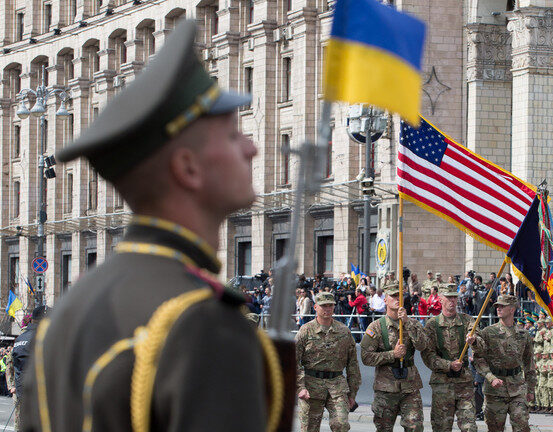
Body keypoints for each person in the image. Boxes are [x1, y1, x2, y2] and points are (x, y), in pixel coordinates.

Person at [20, 21, 268, 432]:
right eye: (232, 135)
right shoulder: (202, 323)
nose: (251, 147)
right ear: (187, 167)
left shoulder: (67, 314)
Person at [361, 281, 430, 432]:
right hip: (386, 388)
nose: (397, 299)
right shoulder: (376, 327)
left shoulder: (413, 324)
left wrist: (407, 323)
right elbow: (366, 357)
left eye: (400, 296)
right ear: (385, 299)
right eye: (393, 296)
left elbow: (423, 346)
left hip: (410, 386)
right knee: (384, 428)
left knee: (415, 427)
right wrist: (393, 355)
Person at [296, 292, 361, 432]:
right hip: (311, 386)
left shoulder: (344, 332)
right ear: (315, 307)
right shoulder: (306, 330)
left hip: (337, 386)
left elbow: (353, 365)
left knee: (341, 425)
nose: (327, 309)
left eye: (330, 305)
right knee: (309, 428)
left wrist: (352, 394)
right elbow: (293, 361)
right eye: (323, 306)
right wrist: (300, 387)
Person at [422, 284, 481, 432]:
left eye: (454, 297)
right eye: (448, 297)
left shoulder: (467, 320)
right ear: (441, 299)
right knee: (441, 427)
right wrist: (448, 365)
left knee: (469, 427)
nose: (452, 300)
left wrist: (474, 340)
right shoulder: (432, 325)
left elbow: (480, 341)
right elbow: (428, 356)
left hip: (464, 383)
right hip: (442, 384)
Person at [472, 294, 535, 432]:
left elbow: (529, 364)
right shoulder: (488, 332)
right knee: (495, 428)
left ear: (512, 309)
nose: (498, 309)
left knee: (522, 426)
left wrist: (531, 389)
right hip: (494, 390)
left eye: (502, 306)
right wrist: (490, 377)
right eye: (497, 306)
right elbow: (479, 358)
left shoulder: (523, 334)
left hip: (517, 388)